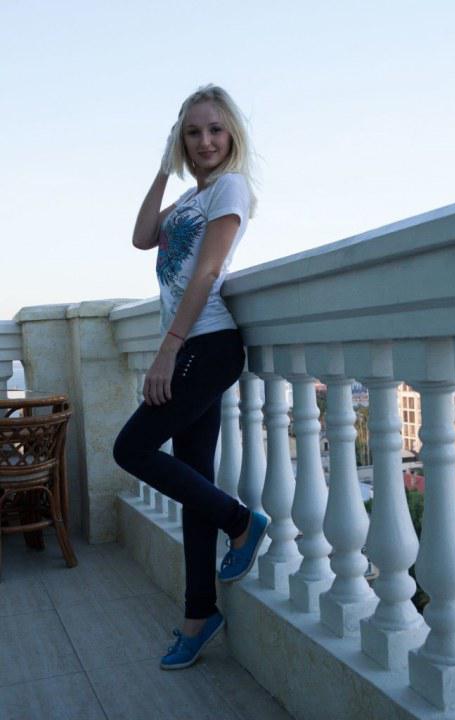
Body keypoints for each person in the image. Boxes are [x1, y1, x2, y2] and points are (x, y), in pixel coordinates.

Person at [113, 85, 269, 670]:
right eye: (193, 132)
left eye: (215, 130)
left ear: (232, 135)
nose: (205, 142)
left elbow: (207, 272)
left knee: (131, 448)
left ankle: (241, 521)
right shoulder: (189, 198)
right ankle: (198, 617)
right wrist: (163, 167)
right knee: (192, 480)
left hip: (207, 343)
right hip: (191, 345)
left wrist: (169, 349)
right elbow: (140, 236)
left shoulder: (231, 187)